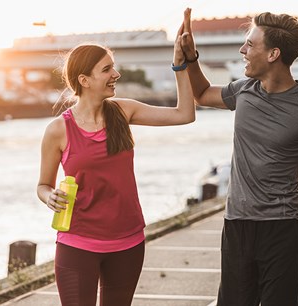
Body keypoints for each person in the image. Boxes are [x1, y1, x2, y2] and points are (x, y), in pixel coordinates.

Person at [177, 9, 298, 306]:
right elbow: (201, 94)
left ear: (274, 54)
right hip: (236, 225)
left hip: (282, 228)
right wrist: (190, 56)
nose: (242, 50)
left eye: (250, 44)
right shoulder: (244, 90)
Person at [36, 8, 195, 306]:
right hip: (77, 244)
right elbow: (43, 185)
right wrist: (49, 197)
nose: (116, 74)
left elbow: (184, 114)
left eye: (114, 67)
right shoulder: (58, 130)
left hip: (128, 242)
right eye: (107, 69)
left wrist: (180, 65)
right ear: (84, 79)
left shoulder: (124, 110)